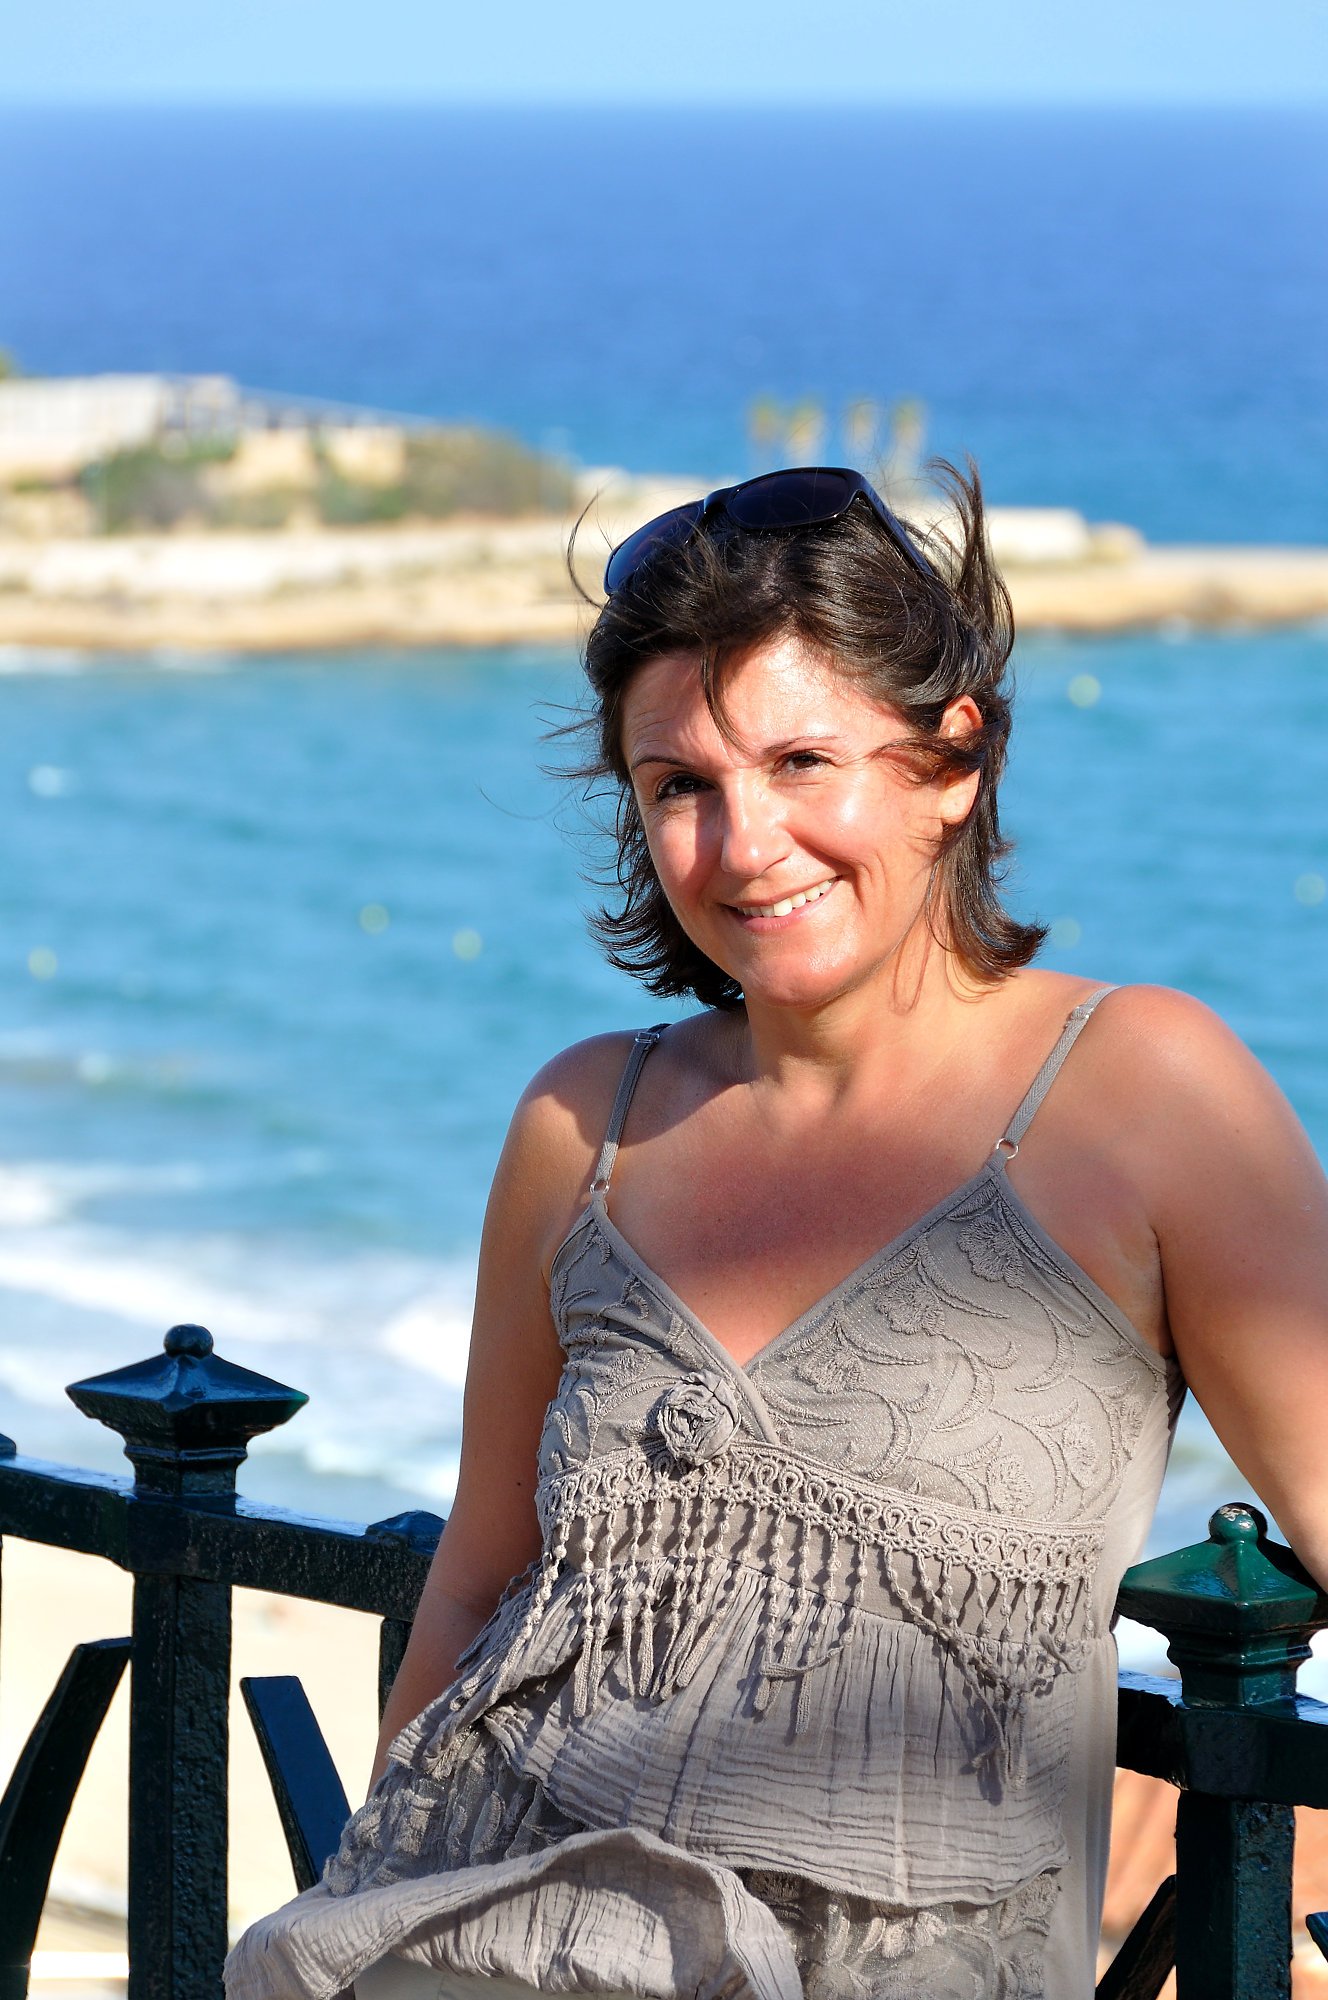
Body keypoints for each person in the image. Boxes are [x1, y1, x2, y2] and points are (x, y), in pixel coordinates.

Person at [227, 465, 1328, 2000]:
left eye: (803, 760)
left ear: (953, 760)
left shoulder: (1143, 1093)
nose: (744, 844)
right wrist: (365, 1906)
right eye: (679, 785)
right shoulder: (584, 1125)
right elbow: (477, 1584)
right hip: (473, 1925)